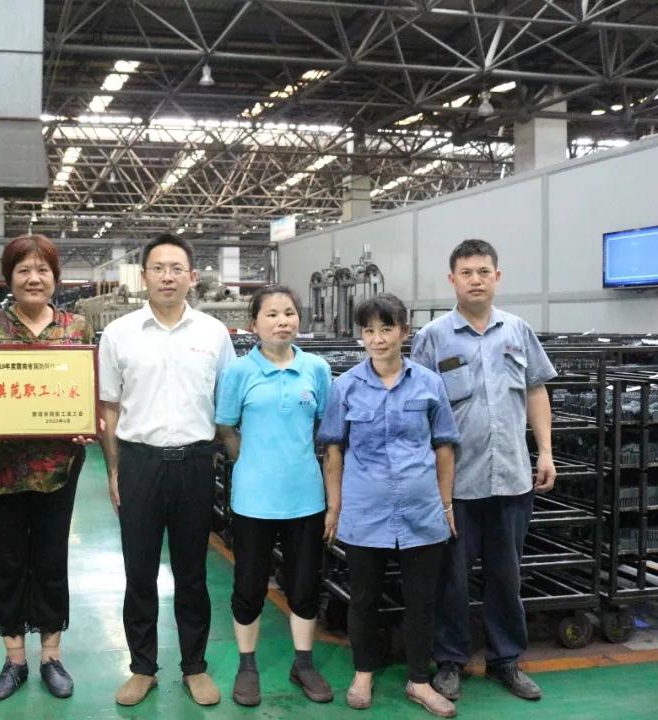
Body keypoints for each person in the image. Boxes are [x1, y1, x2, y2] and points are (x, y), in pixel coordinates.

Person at [0, 234, 95, 701]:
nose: (34, 278)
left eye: (43, 270)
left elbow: (87, 388)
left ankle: (51, 655)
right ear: (9, 277)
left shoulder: (77, 327)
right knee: (8, 562)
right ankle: (13, 660)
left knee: (51, 559)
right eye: (24, 270)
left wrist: (86, 419)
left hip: (57, 469)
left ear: (55, 277)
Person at [410, 239, 557, 703]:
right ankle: (450, 661)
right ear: (451, 279)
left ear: (497, 276)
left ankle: (505, 660)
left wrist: (546, 452)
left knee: (506, 576)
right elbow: (416, 406)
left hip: (512, 478)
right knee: (451, 579)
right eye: (467, 272)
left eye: (483, 271)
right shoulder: (433, 337)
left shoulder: (518, 330)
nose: (476, 279)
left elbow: (535, 391)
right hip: (456, 485)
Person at [99, 233, 237, 707]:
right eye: (158, 268)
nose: (167, 276)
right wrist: (114, 471)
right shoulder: (119, 334)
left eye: (177, 268)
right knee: (139, 572)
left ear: (192, 277)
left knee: (192, 573)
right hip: (139, 463)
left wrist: (233, 455)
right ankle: (143, 668)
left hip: (195, 463)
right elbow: (110, 408)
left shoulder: (214, 334)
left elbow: (227, 403)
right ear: (144, 276)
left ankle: (194, 666)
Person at [318, 293, 460, 718]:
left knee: (421, 600)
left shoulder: (429, 383)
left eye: (386, 329)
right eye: (369, 330)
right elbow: (334, 451)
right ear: (361, 335)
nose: (377, 339)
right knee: (363, 598)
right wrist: (334, 508)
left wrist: (446, 505)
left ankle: (419, 680)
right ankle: (363, 672)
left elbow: (444, 447)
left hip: (421, 510)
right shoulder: (345, 386)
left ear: (404, 331)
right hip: (365, 510)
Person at [214, 285, 334, 707]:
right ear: (254, 324)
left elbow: (325, 426)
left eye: (289, 313)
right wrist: (247, 459)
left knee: (304, 584)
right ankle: (247, 665)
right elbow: (226, 425)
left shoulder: (317, 368)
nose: (282, 321)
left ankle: (303, 663)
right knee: (249, 585)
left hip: (305, 498)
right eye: (271, 314)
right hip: (254, 500)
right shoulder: (239, 372)